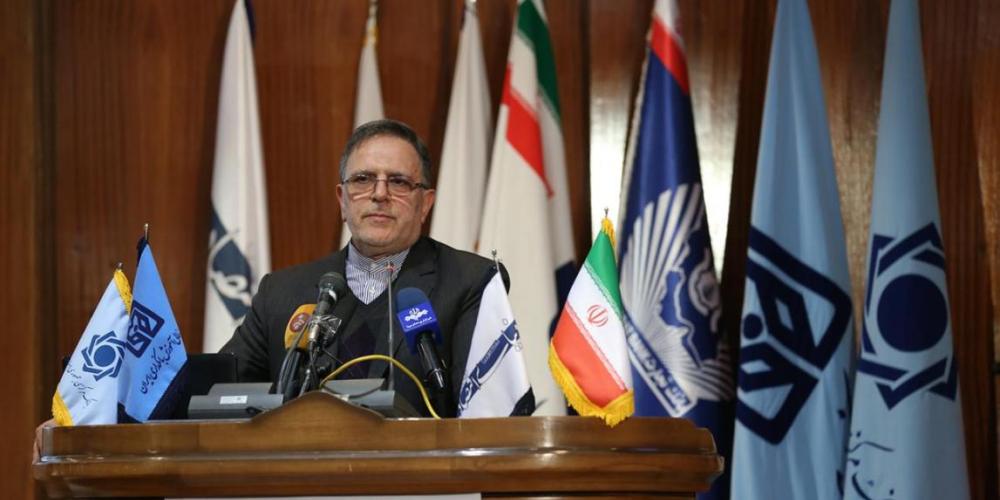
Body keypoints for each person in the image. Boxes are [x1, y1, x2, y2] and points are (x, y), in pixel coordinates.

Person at [221, 119, 507, 417]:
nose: (380, 194)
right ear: (342, 201)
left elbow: (488, 413)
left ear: (425, 203)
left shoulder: (470, 282)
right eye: (362, 179)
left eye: (398, 182)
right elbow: (219, 396)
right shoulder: (281, 293)